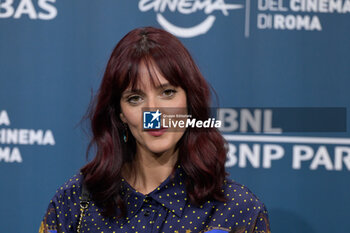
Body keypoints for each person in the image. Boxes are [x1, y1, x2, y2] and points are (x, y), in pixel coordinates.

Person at [39, 27, 270, 233]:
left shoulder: (237, 210)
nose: (154, 114)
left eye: (167, 93)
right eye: (135, 98)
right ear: (120, 114)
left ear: (190, 102)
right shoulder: (76, 201)